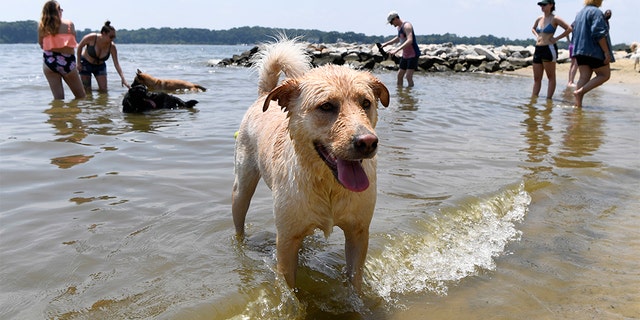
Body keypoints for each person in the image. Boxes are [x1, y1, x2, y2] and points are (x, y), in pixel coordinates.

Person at [37, 1, 86, 100]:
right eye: (61, 9)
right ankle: (71, 115)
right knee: (81, 97)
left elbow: (41, 45)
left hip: (49, 62)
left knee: (58, 99)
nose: (62, 11)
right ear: (57, 11)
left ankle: (58, 114)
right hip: (67, 61)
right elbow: (73, 42)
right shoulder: (69, 24)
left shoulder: (42, 26)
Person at [572, 0, 614, 108]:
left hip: (579, 50)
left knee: (583, 77)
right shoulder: (596, 12)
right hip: (593, 51)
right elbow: (598, 33)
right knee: (604, 75)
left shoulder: (580, 13)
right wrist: (606, 52)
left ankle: (577, 106)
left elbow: (574, 29)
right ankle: (580, 92)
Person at [531, 0, 572, 99]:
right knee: (537, 78)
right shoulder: (539, 18)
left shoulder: (555, 18)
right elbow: (533, 28)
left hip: (549, 48)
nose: (542, 7)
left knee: (551, 77)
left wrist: (556, 38)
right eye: (541, 5)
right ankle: (533, 100)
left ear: (551, 5)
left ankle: (549, 100)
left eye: (544, 5)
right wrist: (537, 35)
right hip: (538, 48)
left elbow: (569, 28)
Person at [77, 21, 129, 93]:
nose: (112, 39)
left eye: (114, 37)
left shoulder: (112, 47)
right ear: (103, 33)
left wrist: (123, 78)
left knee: (104, 90)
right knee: (87, 90)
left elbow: (116, 64)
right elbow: (79, 47)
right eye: (111, 37)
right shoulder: (91, 38)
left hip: (100, 66)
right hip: (86, 63)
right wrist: (78, 62)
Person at [380, 11, 420, 87]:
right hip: (405, 55)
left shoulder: (407, 26)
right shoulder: (399, 27)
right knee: (399, 75)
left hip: (413, 54)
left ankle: (410, 95)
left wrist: (396, 50)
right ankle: (400, 94)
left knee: (408, 76)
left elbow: (410, 40)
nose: (392, 25)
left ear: (395, 19)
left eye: (391, 22)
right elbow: (399, 38)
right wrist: (387, 43)